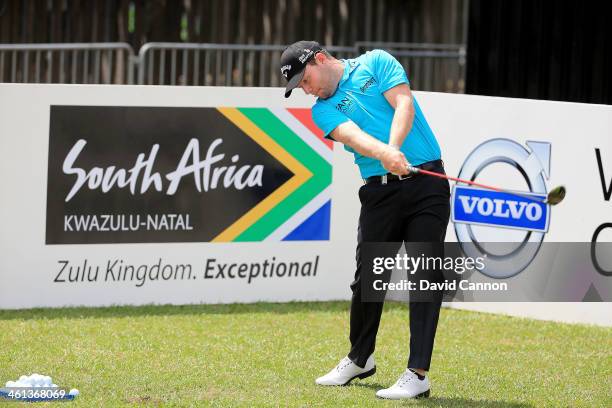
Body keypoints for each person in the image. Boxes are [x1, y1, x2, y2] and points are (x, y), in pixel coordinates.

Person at [280, 41, 450, 400]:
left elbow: (404, 102)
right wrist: (386, 154)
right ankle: (360, 357)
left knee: (424, 276)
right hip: (379, 193)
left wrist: (394, 146)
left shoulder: (376, 62)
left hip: (426, 185)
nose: (306, 90)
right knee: (368, 278)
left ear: (320, 59)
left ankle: (417, 373)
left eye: (305, 80)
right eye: (300, 87)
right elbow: (353, 137)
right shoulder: (322, 111)